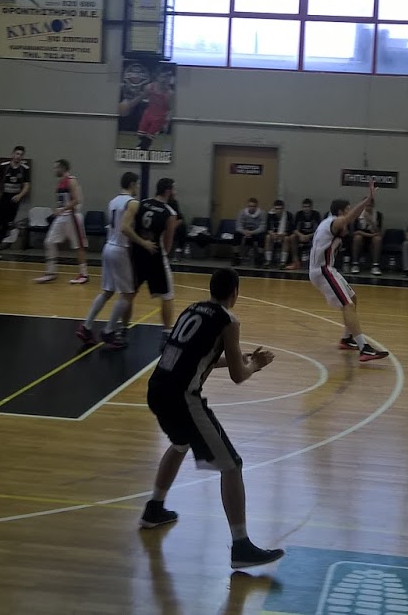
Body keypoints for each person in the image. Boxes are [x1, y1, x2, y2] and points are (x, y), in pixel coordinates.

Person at [140, 268, 284, 568]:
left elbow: (195, 356)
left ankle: (154, 508)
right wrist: (254, 365)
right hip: (182, 398)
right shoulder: (229, 320)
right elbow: (238, 377)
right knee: (232, 465)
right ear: (235, 292)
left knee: (180, 443)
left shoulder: (193, 309)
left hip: (157, 389)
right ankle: (241, 546)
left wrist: (238, 359)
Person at [310, 186, 389, 362]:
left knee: (353, 299)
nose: (350, 212)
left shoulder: (329, 222)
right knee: (348, 305)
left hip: (327, 268)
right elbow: (349, 218)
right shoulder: (334, 222)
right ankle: (364, 348)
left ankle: (347, 339)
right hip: (322, 270)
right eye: (347, 209)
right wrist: (366, 201)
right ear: (340, 212)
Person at [77, 172, 152, 349]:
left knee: (107, 291)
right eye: (137, 184)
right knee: (127, 294)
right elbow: (125, 228)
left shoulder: (113, 201)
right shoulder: (132, 203)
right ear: (132, 184)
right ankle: (109, 330)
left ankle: (86, 326)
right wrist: (143, 243)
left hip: (108, 246)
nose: (138, 187)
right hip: (120, 249)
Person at [130, 178, 181, 337]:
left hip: (137, 253)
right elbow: (167, 244)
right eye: (174, 189)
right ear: (168, 191)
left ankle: (121, 329)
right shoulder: (170, 213)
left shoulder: (142, 203)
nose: (175, 193)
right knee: (168, 296)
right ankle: (166, 332)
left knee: (129, 293)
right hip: (156, 256)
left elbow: (132, 227)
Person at [36, 159, 90, 285]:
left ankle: (84, 274)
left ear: (63, 168)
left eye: (56, 168)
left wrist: (63, 209)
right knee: (49, 241)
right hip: (62, 217)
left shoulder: (71, 180)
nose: (54, 170)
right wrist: (59, 210)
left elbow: (76, 200)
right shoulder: (61, 182)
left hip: (72, 216)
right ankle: (51, 272)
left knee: (79, 245)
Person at [0, 145, 31, 257]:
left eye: (21, 155)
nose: (18, 156)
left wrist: (20, 195)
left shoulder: (25, 169)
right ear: (12, 154)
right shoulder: (4, 166)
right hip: (3, 198)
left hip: (14, 200)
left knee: (7, 224)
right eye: (17, 154)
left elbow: (26, 185)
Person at [286, 199, 322, 271]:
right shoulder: (299, 214)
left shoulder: (316, 215)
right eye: (304, 207)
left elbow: (319, 230)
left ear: (311, 207)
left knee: (320, 238)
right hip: (301, 236)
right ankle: (296, 262)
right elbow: (294, 229)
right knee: (292, 237)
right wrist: (301, 235)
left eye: (308, 207)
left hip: (312, 236)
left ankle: (316, 263)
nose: (306, 209)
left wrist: (308, 236)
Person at [350, 199, 382, 276]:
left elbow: (379, 233)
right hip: (361, 236)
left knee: (377, 239)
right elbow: (355, 232)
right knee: (357, 238)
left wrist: (371, 221)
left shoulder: (378, 215)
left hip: (372, 237)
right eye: (366, 206)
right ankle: (355, 264)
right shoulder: (357, 214)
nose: (368, 208)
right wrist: (371, 235)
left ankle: (375, 265)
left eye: (370, 206)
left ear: (373, 206)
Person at [232, 198, 265, 267]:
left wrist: (251, 232)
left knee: (261, 236)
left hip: (255, 232)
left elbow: (262, 227)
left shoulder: (262, 213)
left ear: (257, 207)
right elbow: (238, 226)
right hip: (245, 231)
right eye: (250, 206)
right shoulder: (241, 213)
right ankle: (236, 256)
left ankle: (260, 257)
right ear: (247, 206)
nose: (252, 208)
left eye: (254, 206)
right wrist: (244, 232)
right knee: (236, 234)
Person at [264, 200, 294, 268]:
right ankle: (268, 260)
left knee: (286, 239)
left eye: (280, 209)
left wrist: (282, 234)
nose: (278, 211)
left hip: (284, 235)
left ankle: (283, 262)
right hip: (273, 235)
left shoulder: (288, 215)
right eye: (277, 209)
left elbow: (290, 229)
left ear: (283, 208)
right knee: (268, 237)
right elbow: (268, 228)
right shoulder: (270, 215)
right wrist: (273, 234)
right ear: (274, 208)